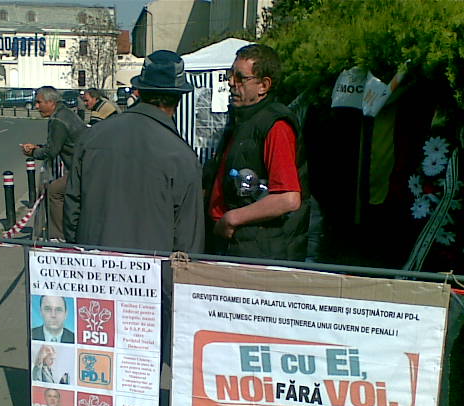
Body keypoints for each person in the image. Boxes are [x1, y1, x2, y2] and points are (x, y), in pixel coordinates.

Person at [63, 50, 204, 253]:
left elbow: (72, 211)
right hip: (152, 268)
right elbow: (188, 239)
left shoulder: (92, 136)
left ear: (140, 91)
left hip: (93, 263)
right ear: (179, 98)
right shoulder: (182, 156)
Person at [203, 44, 310, 260]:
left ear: (263, 85)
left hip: (261, 252)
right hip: (235, 245)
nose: (231, 82)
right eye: (230, 74)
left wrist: (232, 219)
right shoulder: (243, 121)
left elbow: (288, 198)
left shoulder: (276, 126)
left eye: (240, 78)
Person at [21, 86, 85, 240]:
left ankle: (58, 236)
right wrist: (38, 147)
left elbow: (51, 152)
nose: (36, 106)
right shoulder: (66, 113)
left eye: (39, 102)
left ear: (51, 102)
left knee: (53, 191)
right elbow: (57, 144)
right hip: (84, 164)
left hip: (81, 168)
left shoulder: (57, 120)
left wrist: (32, 153)